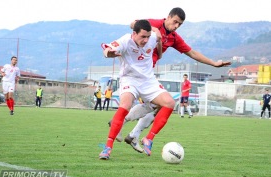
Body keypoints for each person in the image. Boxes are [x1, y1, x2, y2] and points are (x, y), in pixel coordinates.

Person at [115, 7, 232, 152]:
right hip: (136, 74)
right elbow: (133, 24)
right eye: (175, 22)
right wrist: (153, 30)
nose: (176, 26)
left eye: (180, 24)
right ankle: (123, 125)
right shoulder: (156, 24)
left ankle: (134, 134)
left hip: (147, 75)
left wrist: (214, 63)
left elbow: (192, 53)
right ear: (168, 17)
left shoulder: (173, 37)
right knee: (154, 104)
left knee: (159, 107)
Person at [99, 19, 175, 160]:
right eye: (142, 37)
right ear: (134, 34)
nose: (146, 40)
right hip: (130, 79)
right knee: (125, 105)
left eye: (148, 36)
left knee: (169, 103)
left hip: (148, 80)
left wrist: (158, 45)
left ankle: (148, 138)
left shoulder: (152, 37)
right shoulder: (125, 41)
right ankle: (107, 147)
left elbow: (157, 40)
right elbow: (107, 49)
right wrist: (108, 53)